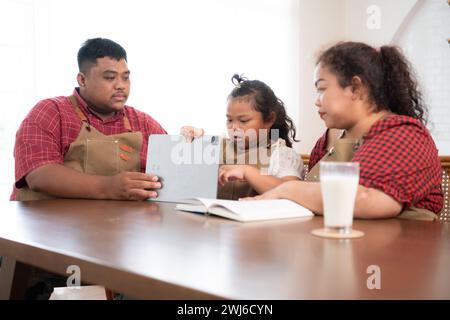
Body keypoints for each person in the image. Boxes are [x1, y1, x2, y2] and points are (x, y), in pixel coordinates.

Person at [247, 42, 443, 220]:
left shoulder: (404, 135)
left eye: (322, 89)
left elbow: (366, 200)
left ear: (355, 88)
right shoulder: (329, 140)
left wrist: (289, 189)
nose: (317, 100)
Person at [11, 38, 165, 201]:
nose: (121, 85)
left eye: (125, 77)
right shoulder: (51, 112)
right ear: (82, 80)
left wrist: (190, 143)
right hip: (51, 224)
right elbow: (39, 174)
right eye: (110, 77)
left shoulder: (143, 123)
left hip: (119, 225)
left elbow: (174, 172)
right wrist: (108, 187)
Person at [181, 74, 303, 200]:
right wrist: (193, 142)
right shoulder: (218, 148)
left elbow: (293, 192)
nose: (233, 128)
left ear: (269, 119)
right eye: (229, 120)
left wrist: (247, 171)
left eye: (243, 121)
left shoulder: (281, 155)